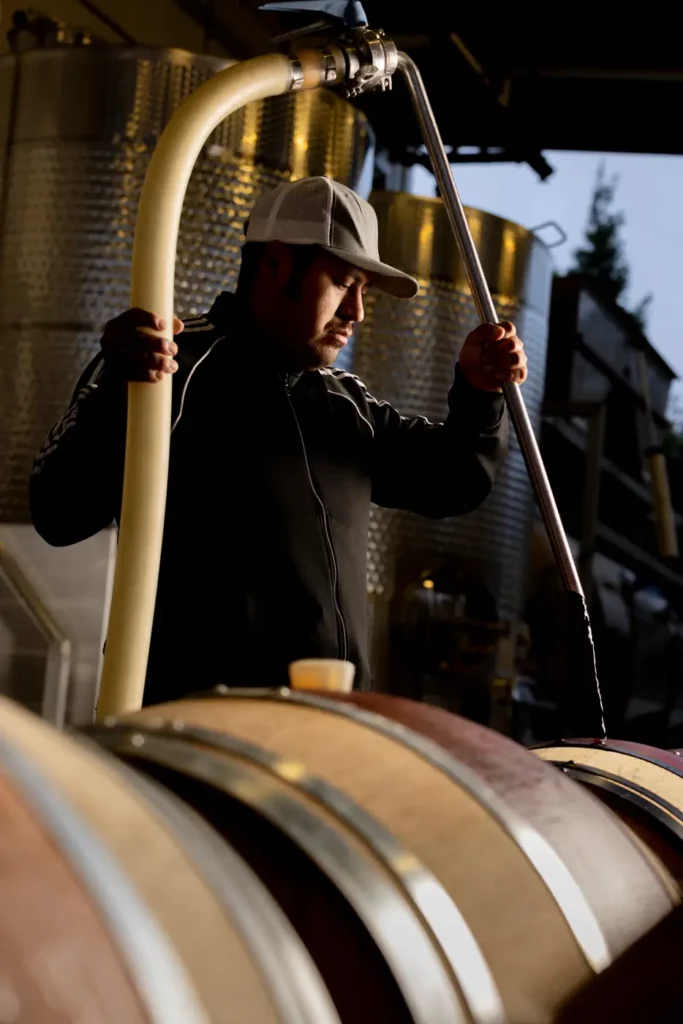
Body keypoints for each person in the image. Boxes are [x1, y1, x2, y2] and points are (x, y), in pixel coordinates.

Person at [29, 176, 527, 704]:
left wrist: (478, 392)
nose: (356, 312)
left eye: (365, 292)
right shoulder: (167, 364)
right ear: (275, 264)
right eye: (342, 282)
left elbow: (452, 480)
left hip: (330, 729)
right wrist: (115, 391)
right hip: (201, 736)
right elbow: (56, 512)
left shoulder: (345, 404)